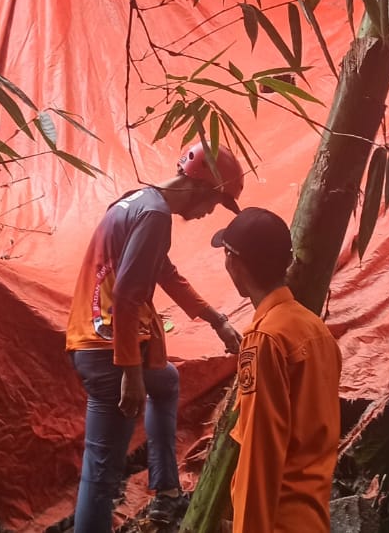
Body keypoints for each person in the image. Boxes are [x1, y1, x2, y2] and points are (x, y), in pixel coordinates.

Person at [65, 143, 247, 531]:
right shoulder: (155, 215)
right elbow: (129, 294)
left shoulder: (138, 201)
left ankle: (166, 493)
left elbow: (163, 270)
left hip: (95, 339)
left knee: (166, 381)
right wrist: (129, 371)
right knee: (101, 470)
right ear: (200, 185)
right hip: (107, 352)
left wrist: (216, 319)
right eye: (215, 202)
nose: (208, 213)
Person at [213, 207, 342, 533]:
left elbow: (261, 453)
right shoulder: (315, 328)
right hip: (312, 516)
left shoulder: (265, 340)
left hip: (277, 521)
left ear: (234, 263)